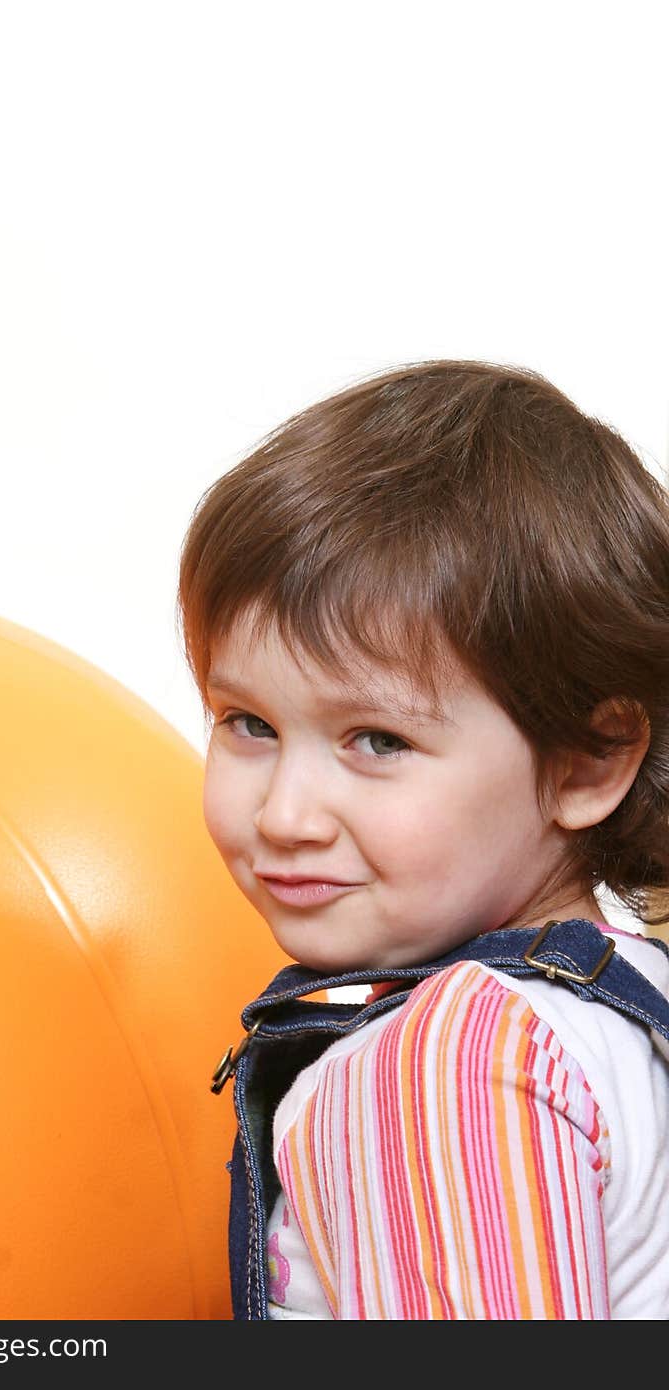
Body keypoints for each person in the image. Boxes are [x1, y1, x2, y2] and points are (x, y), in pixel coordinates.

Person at [175, 360, 669, 1320]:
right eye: (247, 723)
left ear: (586, 762)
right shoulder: (630, 988)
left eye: (378, 740)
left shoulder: (446, 1067)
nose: (285, 814)